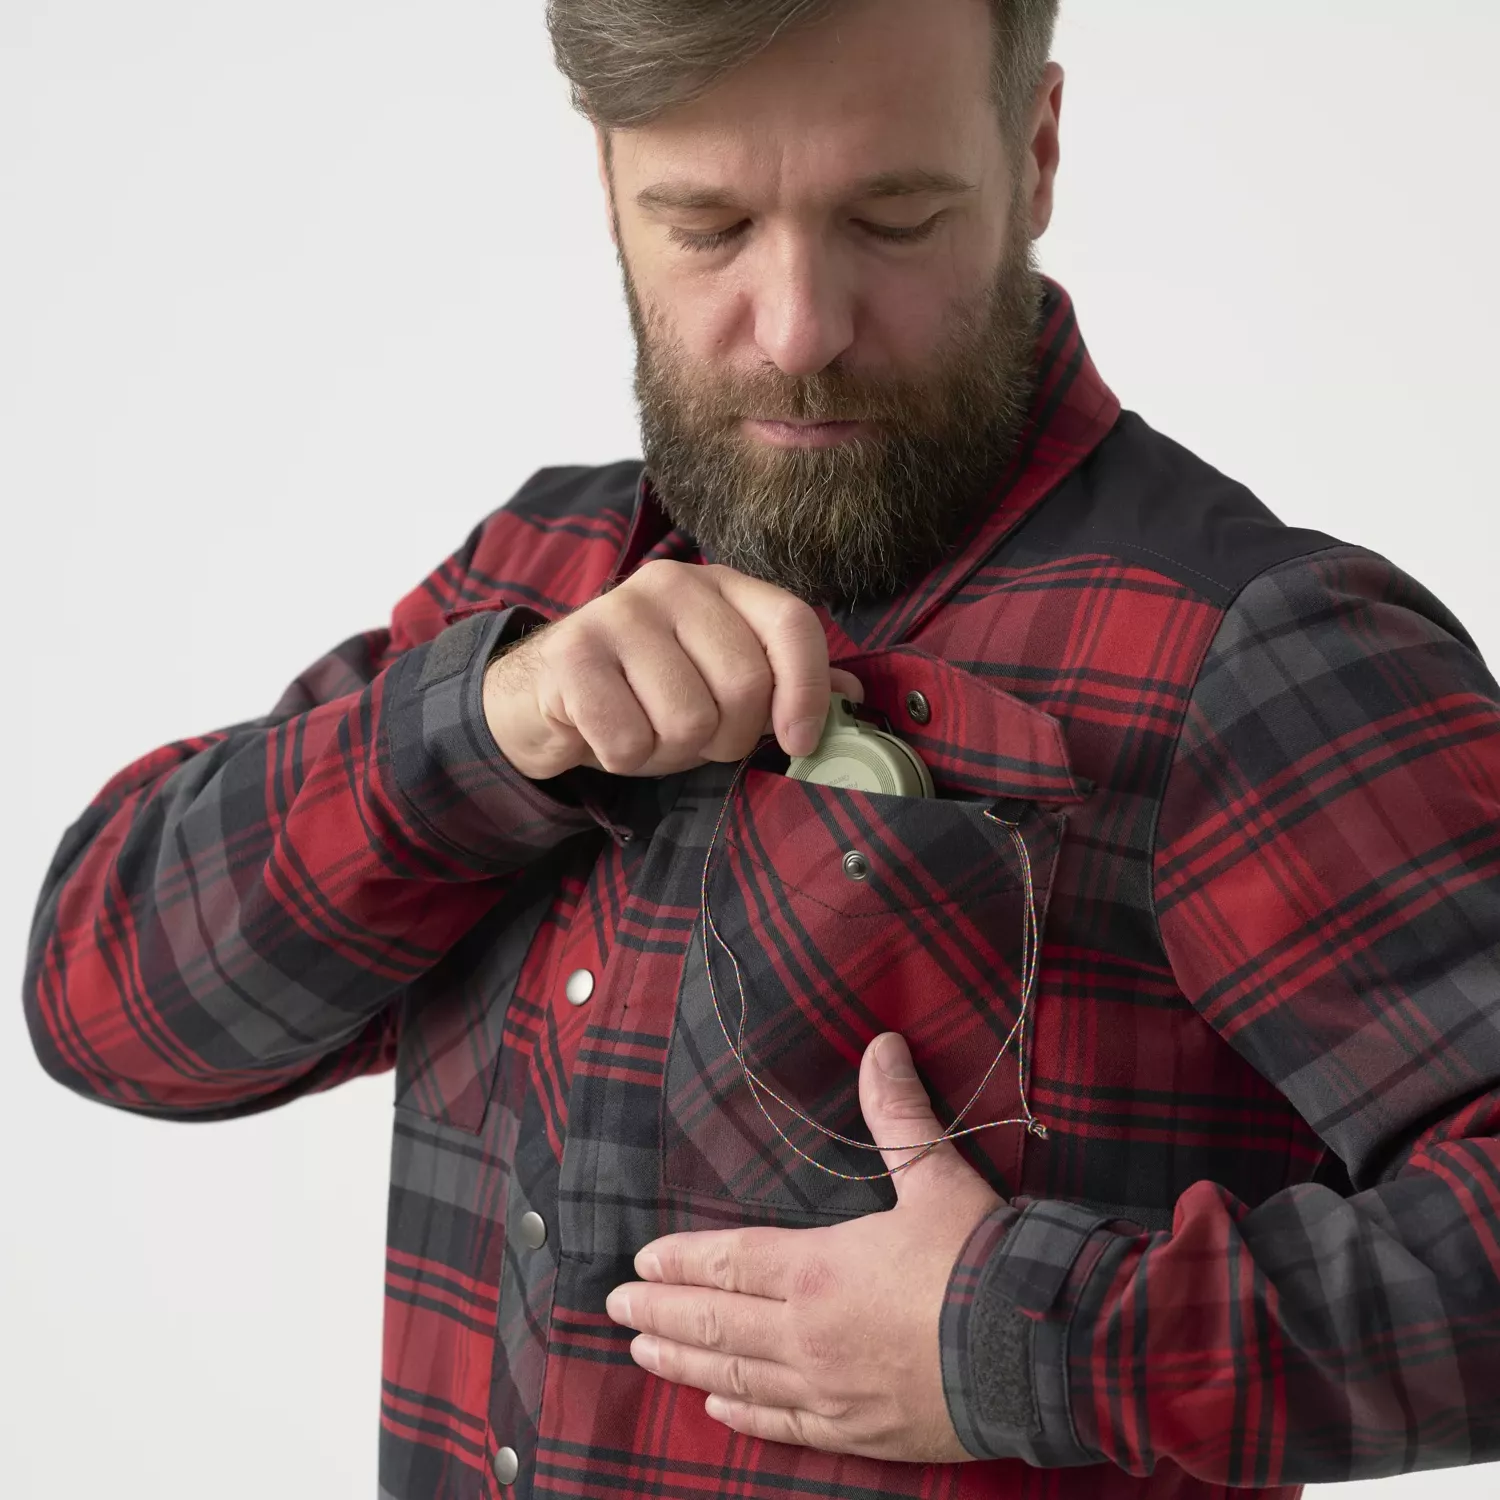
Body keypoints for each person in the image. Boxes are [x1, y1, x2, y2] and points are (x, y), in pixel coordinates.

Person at [22, 0, 1500, 1495]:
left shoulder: (1244, 645)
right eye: (709, 226)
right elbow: (105, 1004)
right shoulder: (530, 583)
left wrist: (1030, 1345)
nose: (800, 331)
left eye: (894, 218)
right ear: (608, 181)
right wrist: (486, 731)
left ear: (1036, 151)